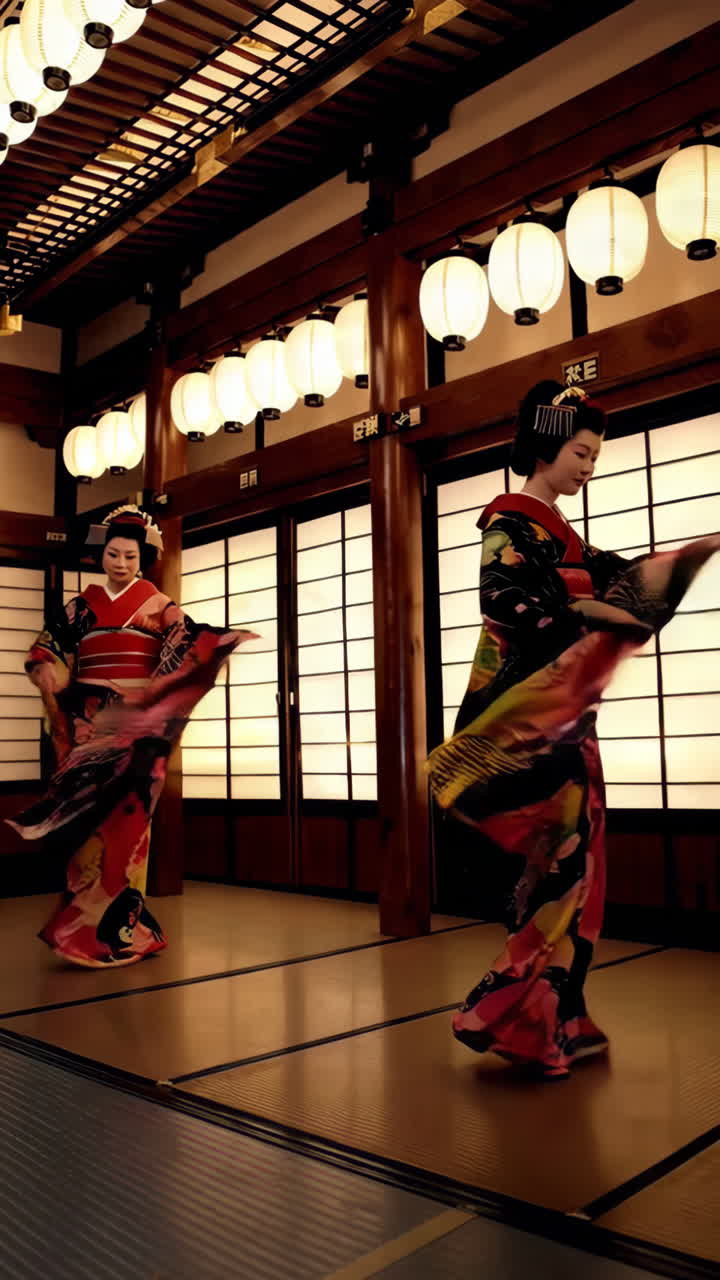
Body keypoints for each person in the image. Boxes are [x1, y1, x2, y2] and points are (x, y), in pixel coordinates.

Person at [427, 381, 719, 1080]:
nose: (589, 465)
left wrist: (660, 575)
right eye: (582, 452)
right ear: (548, 446)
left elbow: (609, 578)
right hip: (531, 723)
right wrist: (589, 617)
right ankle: (510, 1012)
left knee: (578, 866)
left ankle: (552, 1017)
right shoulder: (512, 521)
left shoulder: (560, 534)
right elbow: (503, 599)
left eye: (594, 455)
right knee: (559, 863)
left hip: (564, 722)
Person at [8, 505, 255, 969]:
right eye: (113, 555)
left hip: (137, 725)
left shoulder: (159, 604)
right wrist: (45, 665)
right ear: (102, 556)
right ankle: (95, 924)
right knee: (84, 825)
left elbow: (186, 649)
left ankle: (118, 929)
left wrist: (147, 691)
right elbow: (49, 643)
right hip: (89, 723)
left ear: (141, 559)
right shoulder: (82, 605)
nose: (120, 563)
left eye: (129, 556)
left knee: (129, 823)